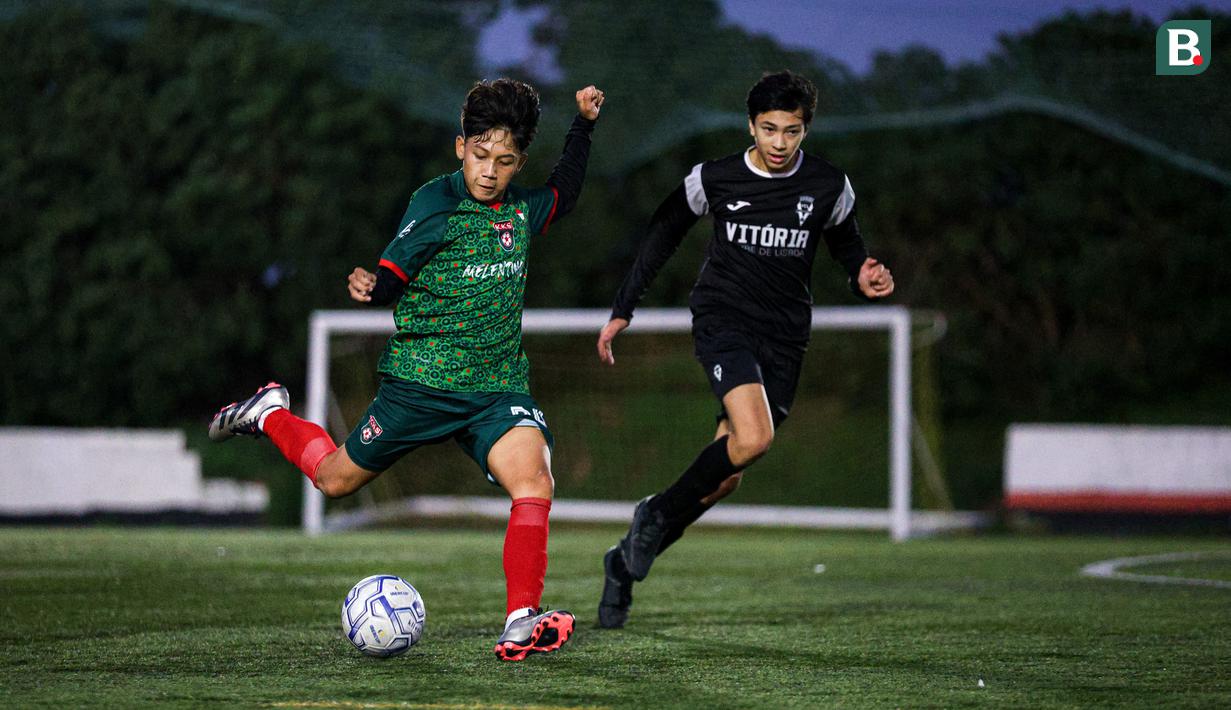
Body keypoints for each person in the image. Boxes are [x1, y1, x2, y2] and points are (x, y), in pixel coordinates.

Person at [209, 79, 605, 661]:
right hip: (420, 384)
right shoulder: (436, 202)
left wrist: (584, 126)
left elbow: (565, 192)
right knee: (335, 480)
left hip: (495, 391)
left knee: (535, 481)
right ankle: (271, 415)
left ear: (519, 161)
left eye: (504, 161)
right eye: (479, 155)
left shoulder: (519, 211)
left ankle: (521, 619)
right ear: (459, 147)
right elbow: (396, 271)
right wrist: (375, 284)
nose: (489, 172)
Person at [594, 71, 894, 629]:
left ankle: (622, 564)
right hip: (723, 320)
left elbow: (849, 247)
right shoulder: (715, 178)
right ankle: (653, 513)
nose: (780, 143)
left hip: (784, 335)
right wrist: (622, 307)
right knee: (754, 438)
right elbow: (663, 232)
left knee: (725, 475)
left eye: (792, 131)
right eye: (769, 129)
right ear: (750, 125)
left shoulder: (830, 185)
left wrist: (863, 274)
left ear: (806, 129)